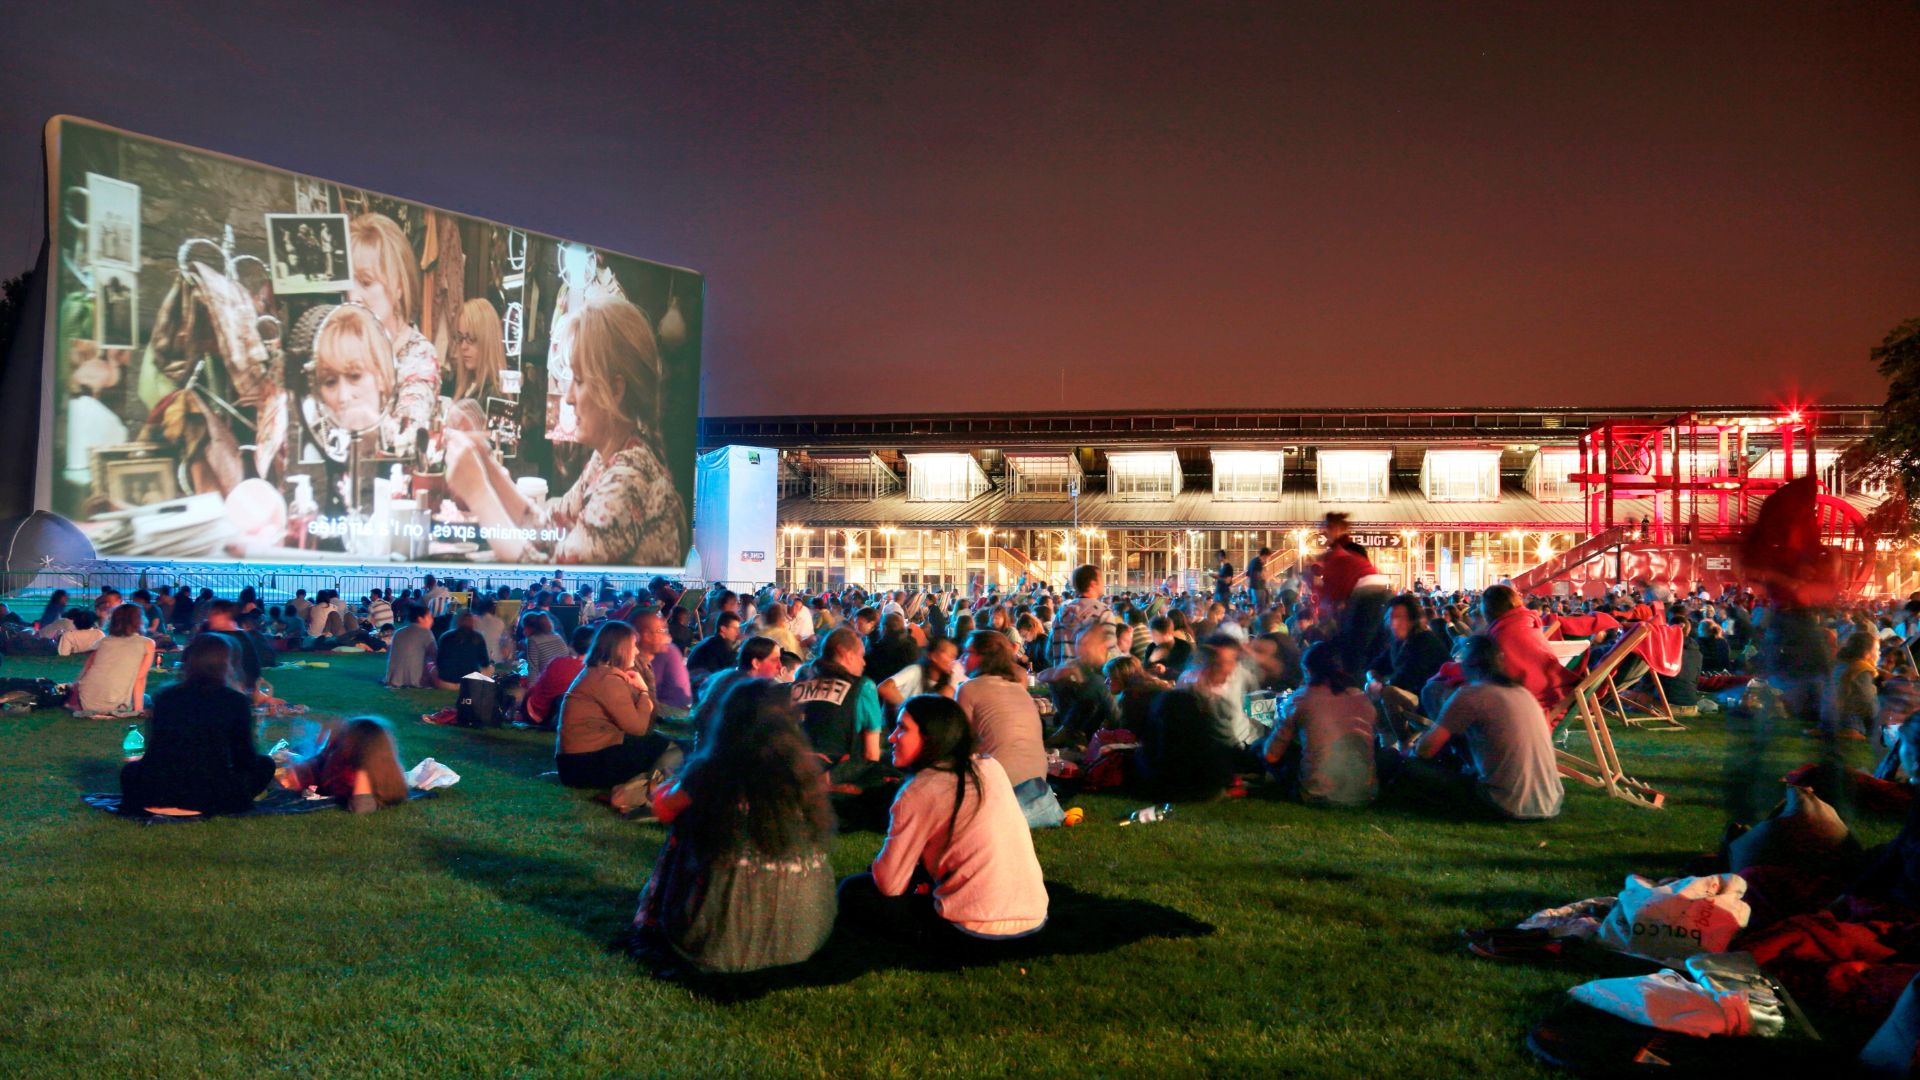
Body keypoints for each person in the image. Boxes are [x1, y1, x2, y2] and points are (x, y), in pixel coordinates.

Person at [444, 295, 688, 565]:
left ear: (616, 390)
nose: (569, 397)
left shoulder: (628, 478)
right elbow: (546, 530)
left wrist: (478, 492)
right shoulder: (609, 459)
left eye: (580, 381)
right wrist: (487, 468)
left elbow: (547, 582)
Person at [632, 679, 837, 974]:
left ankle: (658, 915)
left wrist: (677, 784)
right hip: (801, 938)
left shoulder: (713, 771)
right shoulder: (801, 772)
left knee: (683, 828)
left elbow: (663, 809)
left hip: (722, 945)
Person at [837, 695, 1049, 950]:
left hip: (969, 935)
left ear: (931, 737)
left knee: (854, 890)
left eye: (902, 728)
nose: (891, 737)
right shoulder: (990, 767)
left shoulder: (921, 789)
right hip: (1034, 923)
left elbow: (889, 884)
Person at [1407, 635, 1565, 820]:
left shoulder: (1472, 694)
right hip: (1550, 803)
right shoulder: (1522, 693)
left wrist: (1412, 748)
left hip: (1502, 802)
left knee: (1406, 769)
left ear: (1469, 663)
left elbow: (1426, 750)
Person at [118, 635, 274, 815]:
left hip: (155, 792)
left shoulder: (166, 697)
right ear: (226, 665)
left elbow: (155, 749)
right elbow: (244, 758)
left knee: (131, 770)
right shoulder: (234, 701)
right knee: (265, 764)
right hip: (207, 796)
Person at [346, 212, 438, 445]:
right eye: (348, 284)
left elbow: (405, 435)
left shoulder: (419, 355)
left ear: (398, 286)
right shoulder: (344, 345)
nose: (353, 296)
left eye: (366, 283)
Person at [957, 631, 1064, 827]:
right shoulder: (1016, 687)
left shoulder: (969, 689)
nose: (962, 658)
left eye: (967, 652)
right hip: (1036, 782)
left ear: (983, 656)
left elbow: (960, 742)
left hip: (998, 783)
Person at [555, 621, 670, 788]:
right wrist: (644, 691)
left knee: (661, 742)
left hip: (576, 762)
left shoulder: (599, 672)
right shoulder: (607, 680)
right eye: (633, 646)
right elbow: (639, 728)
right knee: (664, 746)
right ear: (619, 648)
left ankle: (656, 783)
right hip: (582, 766)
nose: (637, 651)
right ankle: (655, 787)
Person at [1264, 643, 1378, 806]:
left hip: (1319, 795)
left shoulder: (1302, 697)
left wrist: (1278, 724)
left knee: (1264, 748)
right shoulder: (1362, 698)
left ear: (1308, 671)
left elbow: (1271, 754)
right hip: (1366, 794)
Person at [790, 627, 891, 792]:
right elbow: (871, 755)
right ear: (846, 654)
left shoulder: (798, 683)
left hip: (794, 776)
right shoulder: (863, 687)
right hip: (836, 786)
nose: (864, 662)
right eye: (860, 656)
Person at [279, 717, 410, 813]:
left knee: (291, 759)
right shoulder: (340, 754)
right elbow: (320, 760)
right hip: (312, 763)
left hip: (312, 773)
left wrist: (361, 770)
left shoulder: (356, 774)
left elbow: (361, 807)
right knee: (298, 752)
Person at [1368, 594, 1452, 743]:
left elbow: (1404, 679)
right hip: (1414, 700)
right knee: (1373, 687)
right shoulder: (1399, 643)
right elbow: (1376, 665)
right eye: (1391, 618)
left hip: (1433, 705)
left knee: (1387, 692)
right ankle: (1384, 738)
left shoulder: (1426, 642)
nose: (1394, 624)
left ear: (1413, 620)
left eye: (1399, 618)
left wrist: (1378, 686)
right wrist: (1373, 679)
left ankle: (1402, 743)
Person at [1480, 585, 1576, 715]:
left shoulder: (1504, 635)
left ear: (1488, 609)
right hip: (1552, 697)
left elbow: (1489, 677)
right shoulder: (1528, 625)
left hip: (1530, 708)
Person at [692, 636, 786, 744]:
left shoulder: (722, 677)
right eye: (774, 660)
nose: (780, 666)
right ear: (756, 663)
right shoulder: (749, 692)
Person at [70, 603, 155, 717]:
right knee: (148, 699)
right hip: (116, 702)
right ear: (138, 621)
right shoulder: (147, 643)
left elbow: (86, 669)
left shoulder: (104, 641)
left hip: (86, 699)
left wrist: (75, 694)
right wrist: (138, 710)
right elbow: (140, 679)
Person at [521, 623, 594, 730]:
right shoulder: (593, 673)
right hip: (562, 719)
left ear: (573, 644)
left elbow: (537, 688)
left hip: (536, 714)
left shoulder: (557, 663)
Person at [880, 636, 962, 714]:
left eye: (954, 656)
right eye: (949, 655)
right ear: (932, 656)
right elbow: (884, 688)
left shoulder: (949, 684)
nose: (953, 661)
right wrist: (909, 711)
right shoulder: (915, 671)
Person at [448, 298, 505, 405]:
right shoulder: (463, 386)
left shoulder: (495, 395)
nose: (463, 346)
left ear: (487, 340)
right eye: (460, 338)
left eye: (471, 338)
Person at [1825, 630, 1880, 739]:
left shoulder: (1843, 665)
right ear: (1866, 653)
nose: (1879, 654)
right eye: (1877, 650)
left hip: (1830, 719)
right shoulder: (1860, 670)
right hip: (1850, 724)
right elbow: (1866, 703)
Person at [433, 611, 494, 689]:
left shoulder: (445, 636)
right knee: (490, 667)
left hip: (446, 682)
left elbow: (439, 661)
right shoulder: (478, 637)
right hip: (470, 683)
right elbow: (484, 663)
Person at [384, 603, 438, 689]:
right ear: (420, 619)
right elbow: (436, 656)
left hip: (394, 680)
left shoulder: (398, 632)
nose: (432, 621)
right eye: (430, 617)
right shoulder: (426, 633)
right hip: (416, 681)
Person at [685, 612, 742, 688]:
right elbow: (733, 667)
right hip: (701, 689)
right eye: (735, 628)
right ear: (723, 629)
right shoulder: (719, 646)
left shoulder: (711, 641)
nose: (738, 632)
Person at [517, 611, 570, 682]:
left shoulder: (533, 640)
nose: (523, 631)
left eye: (524, 627)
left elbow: (533, 671)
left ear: (529, 627)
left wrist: (531, 692)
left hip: (549, 683)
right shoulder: (557, 636)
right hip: (565, 682)